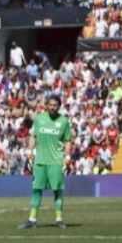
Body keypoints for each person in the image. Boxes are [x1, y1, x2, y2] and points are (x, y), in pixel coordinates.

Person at [19, 95, 71, 230]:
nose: (53, 107)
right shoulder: (39, 119)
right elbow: (33, 136)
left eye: (55, 105)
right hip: (40, 161)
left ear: (59, 106)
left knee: (57, 191)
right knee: (36, 189)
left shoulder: (64, 121)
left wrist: (67, 157)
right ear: (46, 105)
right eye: (50, 104)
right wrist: (30, 152)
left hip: (56, 161)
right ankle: (32, 219)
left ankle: (59, 220)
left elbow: (67, 140)